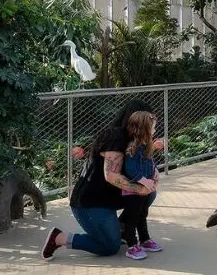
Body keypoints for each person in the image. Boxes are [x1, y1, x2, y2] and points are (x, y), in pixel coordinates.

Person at [41, 100, 156, 261]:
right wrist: (140, 188)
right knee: (109, 246)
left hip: (112, 197)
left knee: (149, 194)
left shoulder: (137, 139)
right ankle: (59, 237)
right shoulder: (115, 137)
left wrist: (153, 175)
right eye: (148, 120)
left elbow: (143, 163)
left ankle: (122, 229)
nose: (152, 126)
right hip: (91, 202)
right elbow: (111, 175)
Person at [121, 111, 162, 260]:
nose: (155, 130)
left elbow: (149, 162)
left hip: (145, 190)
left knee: (143, 214)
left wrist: (155, 173)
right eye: (152, 127)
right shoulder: (133, 147)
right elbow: (131, 169)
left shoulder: (146, 145)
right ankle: (131, 245)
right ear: (143, 127)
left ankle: (144, 240)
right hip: (134, 191)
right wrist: (144, 180)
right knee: (133, 217)